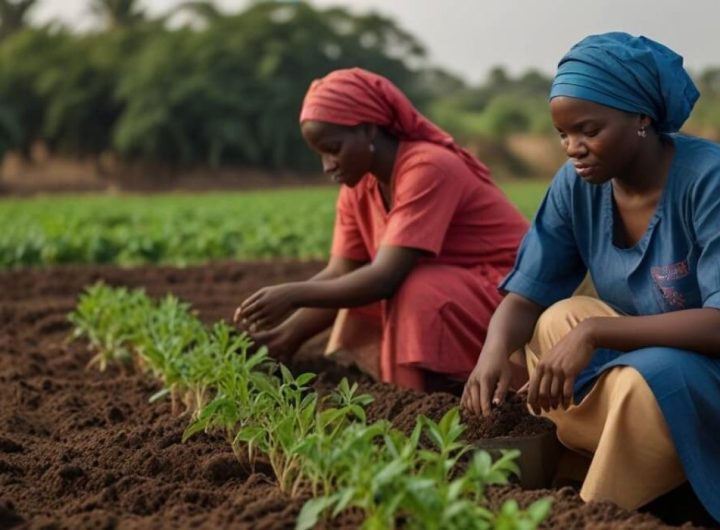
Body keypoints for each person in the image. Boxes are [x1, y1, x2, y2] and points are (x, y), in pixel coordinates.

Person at [461, 32, 720, 521]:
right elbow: (526, 294)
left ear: (641, 117)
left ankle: (593, 507)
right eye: (563, 135)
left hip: (702, 375)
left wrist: (597, 331)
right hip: (644, 363)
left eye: (588, 130)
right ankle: (630, 455)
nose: (572, 149)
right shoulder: (578, 185)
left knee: (646, 383)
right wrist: (492, 352)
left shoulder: (708, 181)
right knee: (560, 318)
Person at [234, 67, 529, 392]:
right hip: (462, 288)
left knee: (417, 288)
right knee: (359, 288)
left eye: (334, 149)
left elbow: (385, 278)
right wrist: (283, 337)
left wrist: (292, 295)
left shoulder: (428, 168)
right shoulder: (359, 187)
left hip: (512, 295)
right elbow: (342, 272)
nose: (328, 166)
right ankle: (411, 395)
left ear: (370, 130)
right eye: (320, 155)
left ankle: (439, 394)